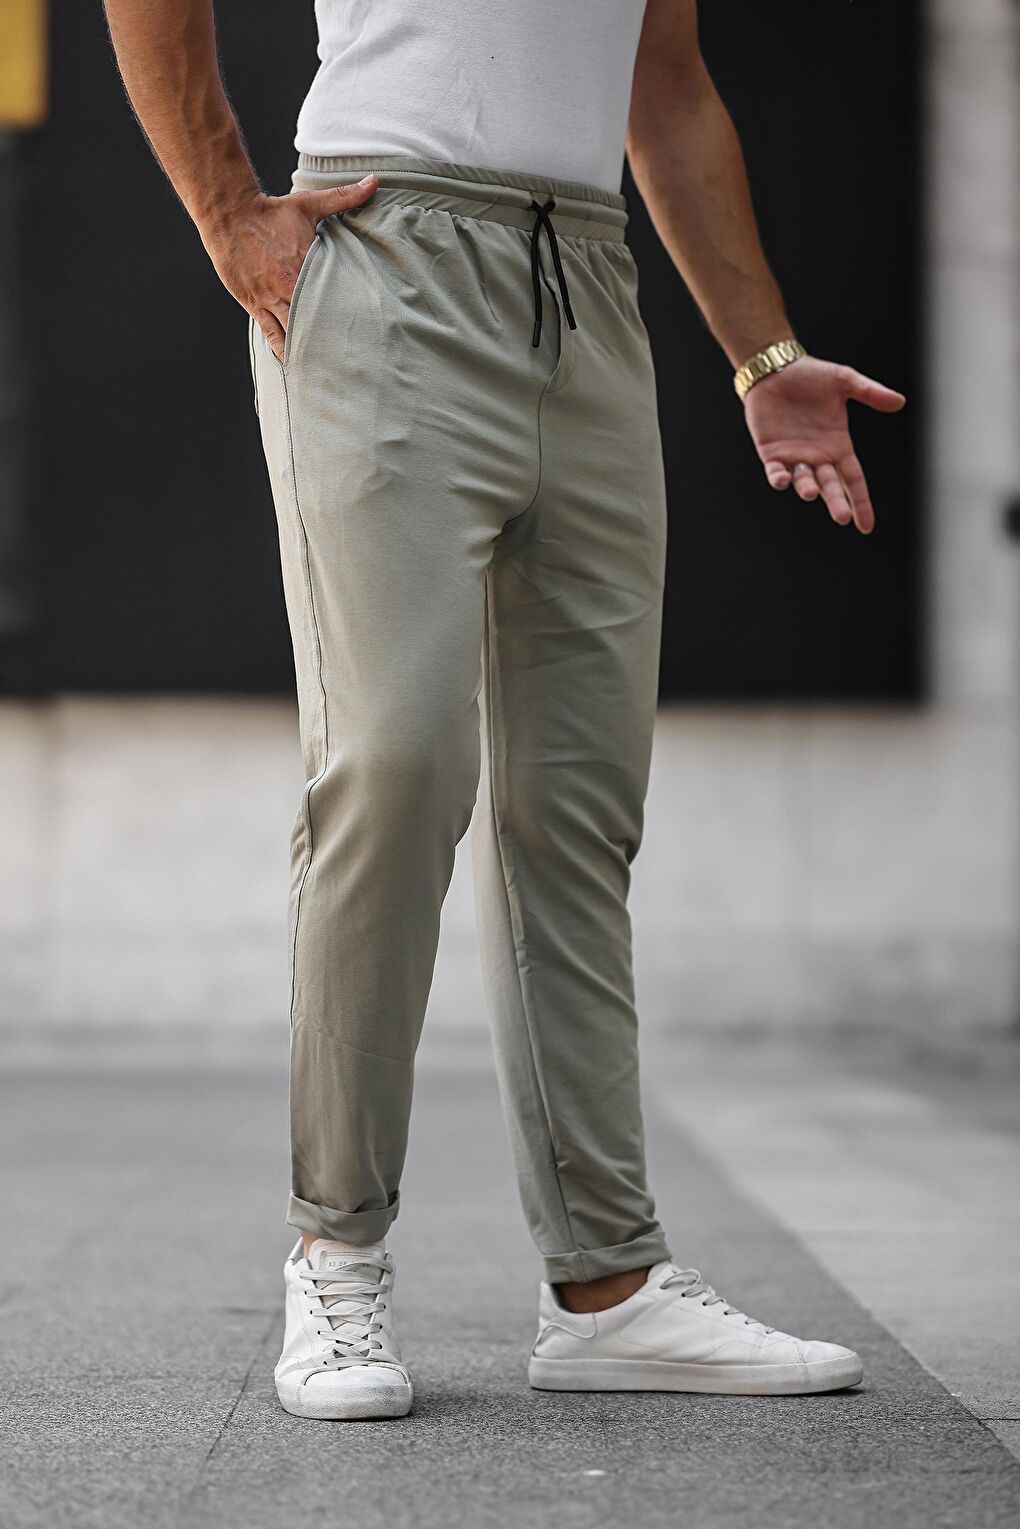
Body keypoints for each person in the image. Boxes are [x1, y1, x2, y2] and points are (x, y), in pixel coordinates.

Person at [104, 0, 904, 1420]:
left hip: (588, 283)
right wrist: (229, 211)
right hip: (385, 254)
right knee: (396, 762)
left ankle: (609, 1287)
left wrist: (764, 358)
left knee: (577, 803)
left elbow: (668, 86)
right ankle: (336, 1256)